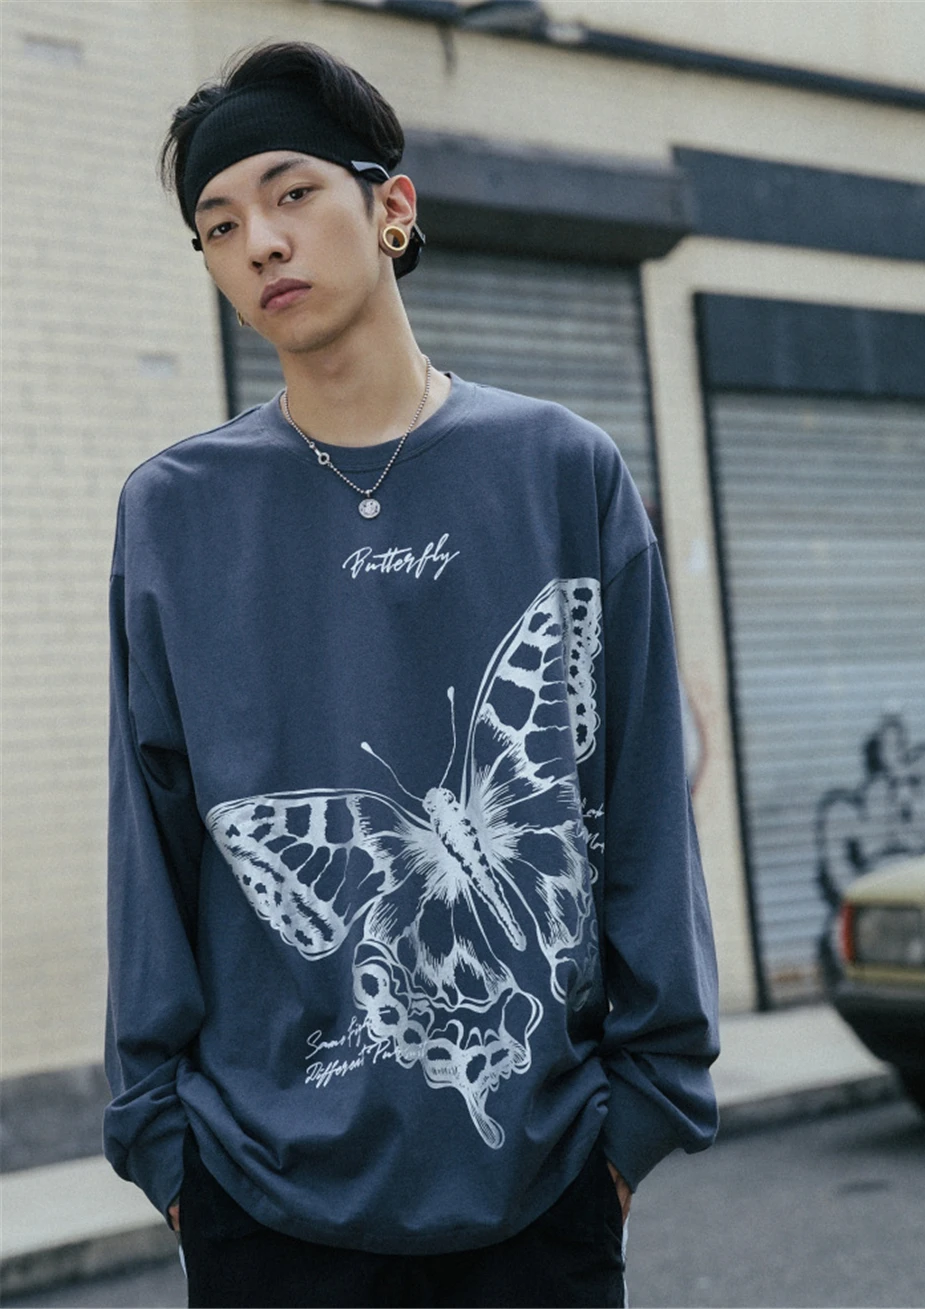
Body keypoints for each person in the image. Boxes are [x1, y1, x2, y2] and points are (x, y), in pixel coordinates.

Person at [103, 40, 719, 1309]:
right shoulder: (176, 511)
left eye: (291, 193)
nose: (261, 243)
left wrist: (642, 1111)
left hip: (544, 1184)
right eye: (219, 225)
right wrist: (163, 1142)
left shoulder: (561, 469)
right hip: (263, 1195)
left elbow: (644, 789)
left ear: (391, 206)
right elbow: (150, 832)